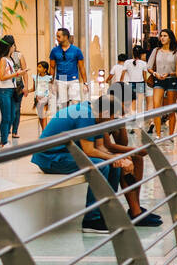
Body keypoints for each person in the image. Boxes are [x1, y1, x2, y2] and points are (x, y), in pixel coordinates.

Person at [32, 92, 162, 230]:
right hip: (51, 157)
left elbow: (101, 147)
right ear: (106, 112)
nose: (114, 122)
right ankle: (91, 220)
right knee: (101, 166)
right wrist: (116, 158)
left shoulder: (97, 116)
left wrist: (119, 159)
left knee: (113, 165)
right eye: (113, 118)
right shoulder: (86, 115)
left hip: (66, 155)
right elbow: (89, 151)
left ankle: (107, 212)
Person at [0, 36, 30, 148]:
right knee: (6, 117)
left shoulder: (10, 59)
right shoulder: (3, 59)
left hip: (11, 90)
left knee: (13, 114)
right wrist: (18, 74)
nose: (14, 47)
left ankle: (5, 138)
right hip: (4, 91)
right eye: (13, 45)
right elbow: (2, 77)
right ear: (9, 46)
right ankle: (3, 141)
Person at [147, 28, 177, 136]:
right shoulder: (156, 50)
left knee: (171, 109)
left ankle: (171, 135)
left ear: (170, 38)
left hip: (172, 80)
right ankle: (158, 134)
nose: (162, 38)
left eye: (165, 36)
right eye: (161, 35)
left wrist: (170, 74)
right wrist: (155, 73)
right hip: (158, 80)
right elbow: (149, 67)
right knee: (156, 106)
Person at [49, 27, 87, 107]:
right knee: (63, 105)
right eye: (56, 36)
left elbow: (82, 67)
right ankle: (64, 119)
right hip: (61, 80)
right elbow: (52, 67)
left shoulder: (76, 50)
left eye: (59, 36)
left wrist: (85, 83)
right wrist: (51, 83)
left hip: (73, 80)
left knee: (75, 104)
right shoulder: (54, 51)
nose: (57, 38)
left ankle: (75, 119)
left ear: (66, 37)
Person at [32, 60, 52, 131]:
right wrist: (26, 91)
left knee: (43, 115)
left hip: (45, 98)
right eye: (37, 67)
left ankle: (45, 131)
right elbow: (34, 88)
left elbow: (51, 88)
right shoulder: (35, 77)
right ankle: (43, 130)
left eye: (40, 67)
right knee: (40, 115)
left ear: (45, 69)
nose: (38, 68)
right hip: (37, 98)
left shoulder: (49, 78)